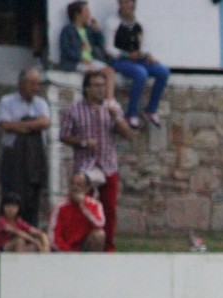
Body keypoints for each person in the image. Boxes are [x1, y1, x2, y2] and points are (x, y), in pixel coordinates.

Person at [59, 70, 132, 252]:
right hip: (86, 166)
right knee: (83, 205)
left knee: (109, 209)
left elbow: (126, 134)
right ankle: (83, 244)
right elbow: (64, 135)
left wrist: (116, 118)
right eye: (97, 86)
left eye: (103, 86)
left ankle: (108, 247)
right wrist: (83, 142)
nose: (101, 90)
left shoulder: (112, 107)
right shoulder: (74, 110)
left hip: (108, 164)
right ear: (87, 89)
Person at [0, 68, 50, 228]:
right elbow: (5, 125)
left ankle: (30, 232)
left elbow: (45, 123)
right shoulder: (7, 102)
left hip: (35, 157)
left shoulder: (41, 103)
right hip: (14, 158)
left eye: (37, 84)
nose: (35, 87)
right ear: (21, 84)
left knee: (33, 198)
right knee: (12, 197)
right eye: (31, 83)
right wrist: (33, 124)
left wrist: (20, 125)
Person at [106, 0, 170, 130]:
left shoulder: (140, 22)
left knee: (163, 71)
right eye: (126, 3)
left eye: (132, 3)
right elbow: (108, 48)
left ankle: (151, 109)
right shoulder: (112, 23)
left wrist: (147, 54)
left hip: (138, 59)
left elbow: (144, 44)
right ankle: (131, 113)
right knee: (141, 73)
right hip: (120, 60)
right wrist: (126, 55)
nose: (130, 6)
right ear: (120, 4)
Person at [58, 1, 117, 103]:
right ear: (77, 14)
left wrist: (97, 31)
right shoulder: (68, 30)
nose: (89, 14)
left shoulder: (88, 29)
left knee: (110, 71)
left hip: (90, 61)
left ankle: (109, 101)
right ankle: (92, 101)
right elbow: (66, 49)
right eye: (86, 11)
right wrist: (80, 57)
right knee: (92, 75)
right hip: (76, 62)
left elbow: (101, 44)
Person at [49, 172, 107, 252]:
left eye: (79, 185)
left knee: (99, 234)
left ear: (87, 188)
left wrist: (83, 205)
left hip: (84, 247)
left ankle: (93, 262)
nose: (75, 188)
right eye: (72, 184)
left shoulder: (95, 205)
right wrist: (68, 252)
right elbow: (53, 236)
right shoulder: (60, 206)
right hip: (64, 251)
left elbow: (99, 223)